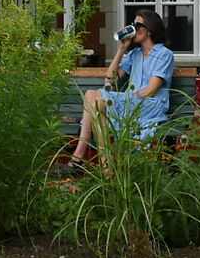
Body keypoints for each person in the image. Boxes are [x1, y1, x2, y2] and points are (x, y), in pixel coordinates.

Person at [70, 10, 176, 164]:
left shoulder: (164, 55)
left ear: (150, 29)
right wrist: (121, 49)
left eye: (138, 25)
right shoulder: (135, 54)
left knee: (97, 98)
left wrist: (126, 98)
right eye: (133, 24)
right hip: (131, 103)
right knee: (91, 96)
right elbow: (110, 79)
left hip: (150, 106)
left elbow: (150, 91)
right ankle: (102, 162)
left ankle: (82, 158)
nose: (134, 28)